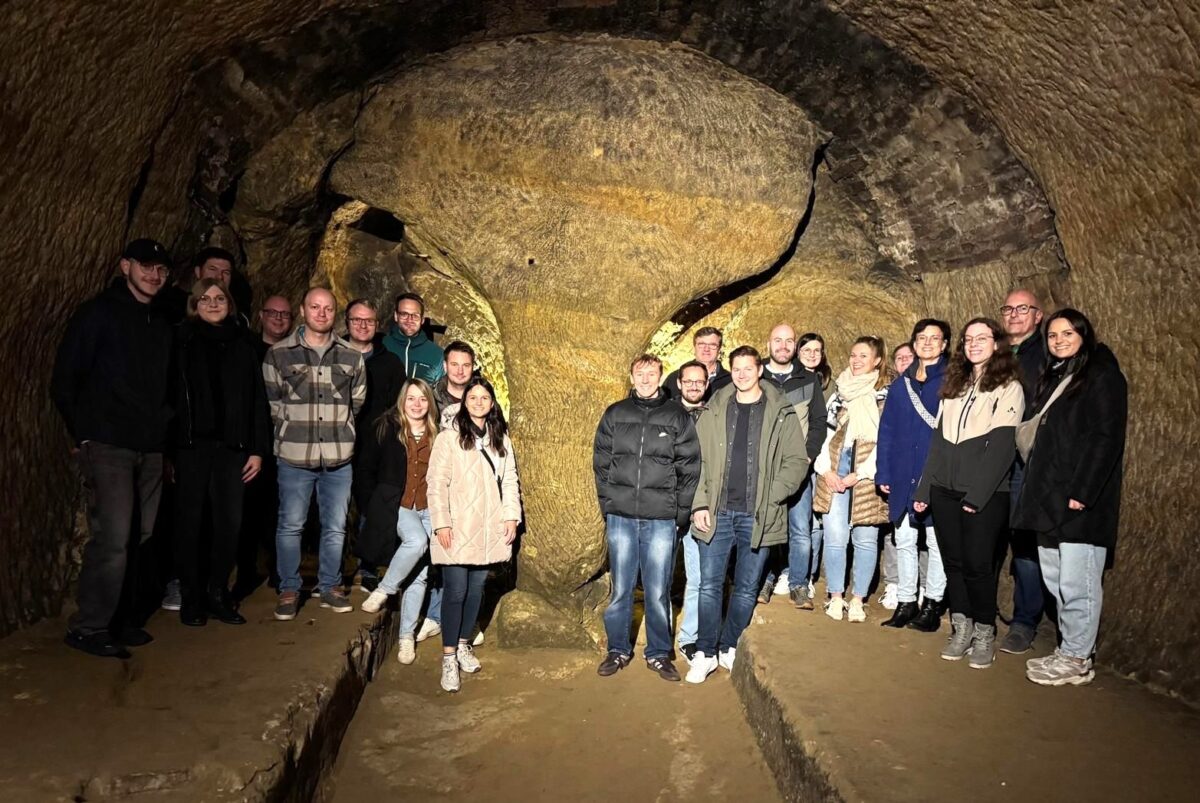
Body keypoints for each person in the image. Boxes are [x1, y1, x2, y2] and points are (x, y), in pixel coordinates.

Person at [51, 238, 174, 658]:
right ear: (126, 267)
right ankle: (89, 626)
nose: (154, 275)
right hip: (109, 443)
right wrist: (83, 434)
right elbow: (65, 377)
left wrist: (163, 431)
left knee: (141, 534)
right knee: (113, 537)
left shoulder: (160, 322)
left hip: (150, 446)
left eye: (161, 269)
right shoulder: (98, 313)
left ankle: (119, 619)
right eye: (146, 266)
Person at [1014, 310, 1127, 686]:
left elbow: (1106, 437)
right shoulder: (1058, 375)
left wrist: (1083, 491)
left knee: (1079, 581)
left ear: (1084, 335)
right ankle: (1069, 650)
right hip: (1049, 495)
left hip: (1078, 499)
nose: (1059, 340)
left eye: (1067, 333)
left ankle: (1078, 657)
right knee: (1056, 577)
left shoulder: (1101, 375)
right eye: (1052, 335)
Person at [687, 346, 806, 683]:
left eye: (747, 368)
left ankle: (729, 645)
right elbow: (698, 462)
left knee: (745, 587)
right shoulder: (714, 409)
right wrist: (699, 504)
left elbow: (796, 461)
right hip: (717, 511)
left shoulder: (780, 410)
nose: (741, 374)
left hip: (758, 514)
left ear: (760, 370)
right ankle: (705, 652)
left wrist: (772, 495)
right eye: (736, 369)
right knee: (709, 586)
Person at [914, 318, 1024, 669]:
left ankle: (984, 632)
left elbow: (1003, 449)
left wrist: (977, 495)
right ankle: (961, 628)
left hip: (984, 495)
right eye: (968, 339)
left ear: (997, 344)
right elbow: (938, 444)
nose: (974, 344)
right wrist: (925, 488)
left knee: (978, 566)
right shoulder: (954, 385)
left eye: (982, 338)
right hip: (944, 490)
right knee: (954, 564)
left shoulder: (1009, 387)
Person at [593, 354, 700, 681]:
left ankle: (658, 653)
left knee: (657, 590)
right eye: (640, 373)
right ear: (632, 376)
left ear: (660, 376)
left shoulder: (676, 416)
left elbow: (690, 467)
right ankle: (617, 649)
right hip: (622, 517)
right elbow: (601, 462)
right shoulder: (615, 413)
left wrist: (679, 513)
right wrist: (609, 503)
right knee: (621, 589)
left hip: (661, 518)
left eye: (651, 373)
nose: (645, 378)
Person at [263, 287, 366, 620]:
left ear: (335, 313)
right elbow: (273, 403)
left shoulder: (351, 356)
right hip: (295, 456)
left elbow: (356, 402)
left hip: (338, 456)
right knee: (291, 525)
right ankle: (289, 589)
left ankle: (330, 586)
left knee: (335, 526)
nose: (322, 313)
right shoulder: (278, 354)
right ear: (303, 310)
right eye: (315, 307)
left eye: (328, 308)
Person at [171, 279, 270, 626]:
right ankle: (192, 598)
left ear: (229, 303)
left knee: (229, 525)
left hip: (232, 449)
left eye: (219, 298)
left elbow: (257, 400)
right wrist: (169, 448)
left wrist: (257, 450)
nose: (213, 304)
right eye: (205, 298)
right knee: (191, 525)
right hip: (192, 447)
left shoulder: (243, 345)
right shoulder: (181, 341)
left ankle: (217, 593)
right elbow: (169, 396)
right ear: (194, 304)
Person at [428, 377, 521, 692]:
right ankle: (448, 657)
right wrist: (441, 522)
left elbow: (510, 480)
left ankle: (463, 644)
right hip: (457, 526)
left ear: (492, 403)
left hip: (488, 527)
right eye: (473, 397)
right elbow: (436, 483)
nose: (479, 402)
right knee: (455, 590)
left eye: (484, 398)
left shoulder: (500, 439)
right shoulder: (448, 438)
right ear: (464, 402)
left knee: (477, 589)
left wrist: (511, 516)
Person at [357, 379, 440, 665]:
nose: (417, 404)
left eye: (423, 399)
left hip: (428, 507)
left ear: (430, 403)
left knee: (421, 574)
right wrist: (371, 505)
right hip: (399, 505)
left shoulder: (437, 434)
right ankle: (385, 589)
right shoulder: (386, 428)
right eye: (411, 398)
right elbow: (366, 468)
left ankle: (406, 637)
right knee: (417, 541)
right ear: (402, 401)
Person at [876, 320, 951, 631]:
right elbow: (887, 431)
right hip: (902, 472)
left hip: (935, 473)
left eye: (935, 338)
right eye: (922, 337)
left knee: (936, 541)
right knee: (904, 539)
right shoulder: (901, 385)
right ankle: (906, 602)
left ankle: (932, 604)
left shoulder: (952, 382)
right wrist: (884, 471)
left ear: (945, 345)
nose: (928, 343)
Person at [812, 336, 892, 623]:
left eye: (863, 356)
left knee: (866, 538)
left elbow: (888, 440)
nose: (856, 361)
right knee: (835, 537)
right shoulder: (839, 393)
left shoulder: (884, 395)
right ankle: (835, 596)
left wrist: (862, 474)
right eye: (853, 355)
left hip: (868, 471)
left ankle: (858, 599)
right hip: (836, 467)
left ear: (877, 360)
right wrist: (826, 470)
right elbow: (825, 435)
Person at [758, 323, 828, 609]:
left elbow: (819, 422)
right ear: (769, 344)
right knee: (766, 525)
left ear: (795, 346)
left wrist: (808, 456)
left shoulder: (807, 379)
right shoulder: (757, 375)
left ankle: (798, 583)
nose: (783, 346)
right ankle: (765, 579)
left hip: (798, 466)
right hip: (764, 468)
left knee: (800, 528)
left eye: (789, 341)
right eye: (778, 340)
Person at [998, 288, 1050, 655]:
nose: (1014, 315)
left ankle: (1024, 621)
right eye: (1009, 309)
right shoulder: (995, 351)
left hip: (1024, 460)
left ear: (1037, 316)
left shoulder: (1047, 353)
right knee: (985, 534)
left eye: (1023, 309)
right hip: (990, 457)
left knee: (1024, 540)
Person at [345, 298, 406, 592]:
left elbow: (397, 407)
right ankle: (332, 572)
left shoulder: (390, 362)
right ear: (347, 322)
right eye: (357, 320)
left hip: (376, 448)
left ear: (377, 324)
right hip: (336, 445)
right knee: (335, 512)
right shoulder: (334, 356)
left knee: (371, 508)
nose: (363, 325)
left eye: (368, 320)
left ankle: (368, 568)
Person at [671, 360, 710, 664]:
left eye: (699, 381)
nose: (694, 386)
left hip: (700, 508)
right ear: (679, 383)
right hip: (667, 508)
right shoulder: (666, 414)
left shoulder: (714, 416)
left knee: (698, 577)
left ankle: (689, 638)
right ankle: (660, 640)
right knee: (659, 578)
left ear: (706, 384)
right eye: (689, 381)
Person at [877, 342, 919, 610]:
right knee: (897, 531)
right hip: (897, 470)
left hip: (922, 469)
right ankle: (895, 584)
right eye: (899, 358)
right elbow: (886, 434)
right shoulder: (892, 391)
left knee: (924, 535)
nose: (904, 362)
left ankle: (922, 588)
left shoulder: (933, 389)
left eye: (909, 357)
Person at [382, 292, 444, 383]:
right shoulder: (381, 346)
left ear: (422, 319)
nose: (409, 320)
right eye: (404, 314)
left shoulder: (437, 354)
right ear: (396, 316)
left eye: (415, 315)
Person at [663, 326, 732, 402]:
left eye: (712, 345)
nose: (706, 349)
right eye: (701, 344)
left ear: (719, 349)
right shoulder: (674, 378)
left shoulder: (730, 382)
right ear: (694, 347)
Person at [434, 341, 478, 429]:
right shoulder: (431, 398)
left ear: (473, 367)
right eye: (454, 365)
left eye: (466, 365)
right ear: (445, 366)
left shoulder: (484, 398)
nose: (460, 371)